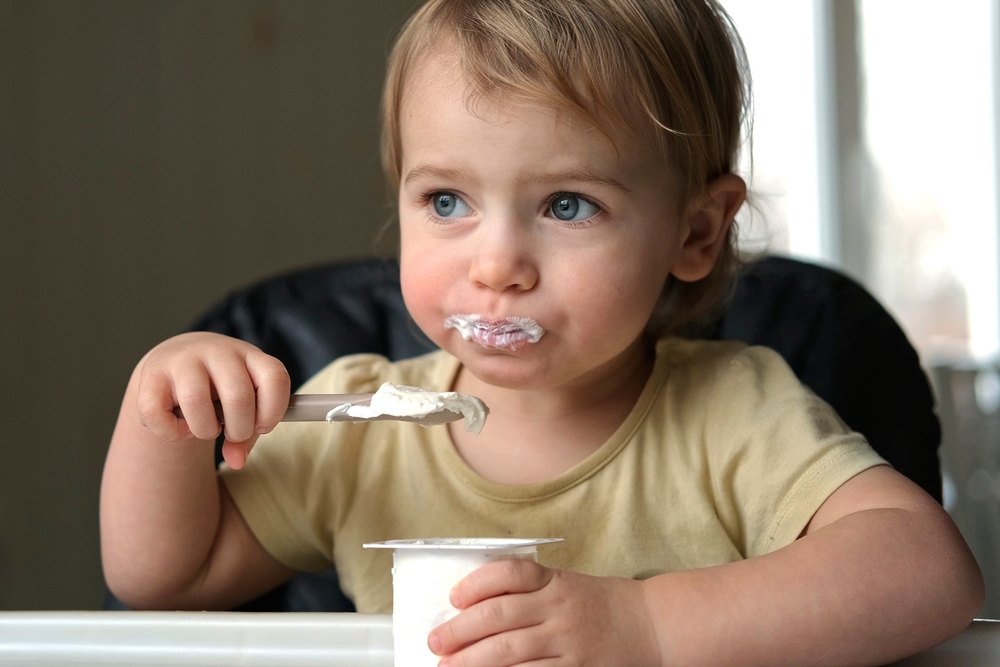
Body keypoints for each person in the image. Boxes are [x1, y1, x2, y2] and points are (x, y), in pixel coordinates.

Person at [100, 0, 984, 664]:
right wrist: (162, 416)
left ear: (695, 232)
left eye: (568, 205)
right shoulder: (362, 423)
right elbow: (164, 576)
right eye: (447, 201)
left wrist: (645, 626)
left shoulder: (734, 413)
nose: (497, 264)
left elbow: (928, 572)